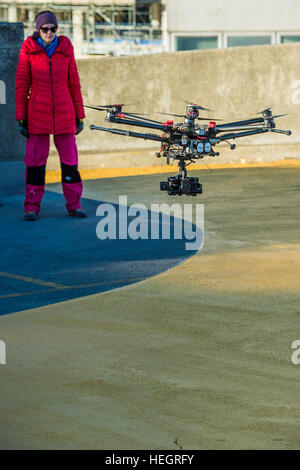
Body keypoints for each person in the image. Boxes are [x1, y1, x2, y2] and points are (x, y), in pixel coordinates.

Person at [15, 10, 86, 220]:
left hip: (65, 114)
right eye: (45, 29)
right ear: (38, 29)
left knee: (70, 163)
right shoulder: (28, 50)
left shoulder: (65, 48)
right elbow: (21, 86)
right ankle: (32, 207)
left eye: (53, 28)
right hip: (37, 115)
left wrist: (79, 114)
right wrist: (21, 118)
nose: (49, 32)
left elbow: (74, 82)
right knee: (35, 164)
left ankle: (74, 204)